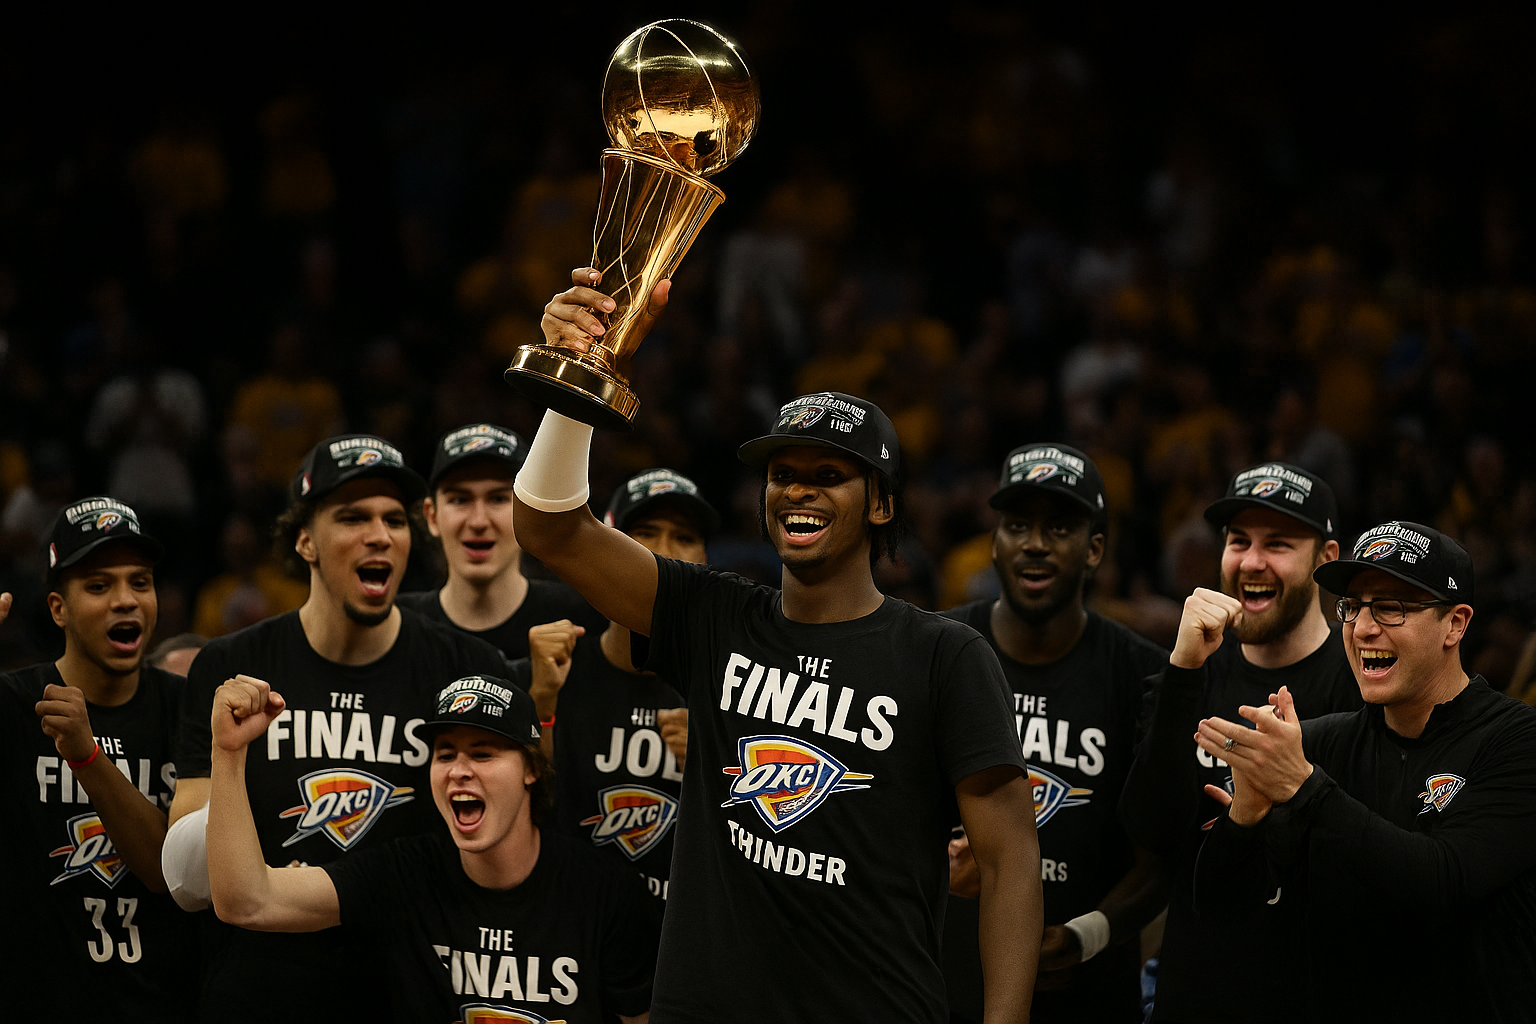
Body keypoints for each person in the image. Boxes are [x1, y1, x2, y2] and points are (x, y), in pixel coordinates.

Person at [515, 268, 1041, 1024]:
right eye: (783, 474)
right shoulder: (714, 616)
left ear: (883, 504)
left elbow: (1010, 858)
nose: (798, 491)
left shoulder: (944, 656)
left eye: (830, 476)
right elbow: (548, 526)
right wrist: (584, 379)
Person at [161, 434, 507, 1024]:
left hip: (411, 989)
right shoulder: (229, 668)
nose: (379, 535)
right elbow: (189, 882)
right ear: (305, 542)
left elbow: (495, 853)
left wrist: (309, 891)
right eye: (352, 517)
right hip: (263, 991)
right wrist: (229, 757)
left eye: (394, 519)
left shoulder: (470, 670)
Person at [1193, 522, 1536, 1023]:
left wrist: (1302, 788)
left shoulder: (1516, 740)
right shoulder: (1319, 745)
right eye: (1353, 606)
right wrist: (1246, 813)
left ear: (1456, 624)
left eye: (1392, 607)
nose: (1363, 628)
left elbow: (1440, 885)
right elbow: (1223, 909)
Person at [206, 672, 659, 1024]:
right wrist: (228, 753)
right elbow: (247, 901)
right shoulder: (404, 874)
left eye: (482, 754)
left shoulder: (604, 891)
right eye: (445, 755)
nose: (459, 770)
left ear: (531, 770)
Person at [1119, 462, 1362, 1023]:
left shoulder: (1362, 687)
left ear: (1326, 561)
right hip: (1192, 995)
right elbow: (1149, 830)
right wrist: (1182, 670)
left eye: (1277, 543)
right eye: (1238, 541)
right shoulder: (1183, 674)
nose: (1252, 561)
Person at [944, 444, 1168, 1023]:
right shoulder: (937, 650)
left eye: (1059, 527)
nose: (1035, 543)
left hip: (1088, 990)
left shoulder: (1143, 675)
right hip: (943, 982)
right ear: (994, 542)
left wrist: (1085, 936)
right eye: (1017, 525)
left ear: (1095, 549)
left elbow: (1165, 856)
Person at [0, 498, 192, 1021]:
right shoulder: (14, 705)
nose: (125, 601)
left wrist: (88, 757)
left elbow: (168, 872)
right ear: (58, 607)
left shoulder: (189, 710)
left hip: (162, 1006)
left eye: (140, 582)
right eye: (99, 585)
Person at [530, 468, 714, 902]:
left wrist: (718, 764)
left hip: (680, 943)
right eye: (644, 532)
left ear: (707, 561)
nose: (665, 553)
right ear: (607, 547)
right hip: (572, 927)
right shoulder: (553, 671)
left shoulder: (733, 685)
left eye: (684, 537)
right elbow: (523, 816)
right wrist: (540, 708)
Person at [397, 423, 605, 660]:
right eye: (459, 500)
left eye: (497, 498)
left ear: (529, 513)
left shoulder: (583, 620)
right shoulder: (396, 626)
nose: (478, 521)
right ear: (431, 516)